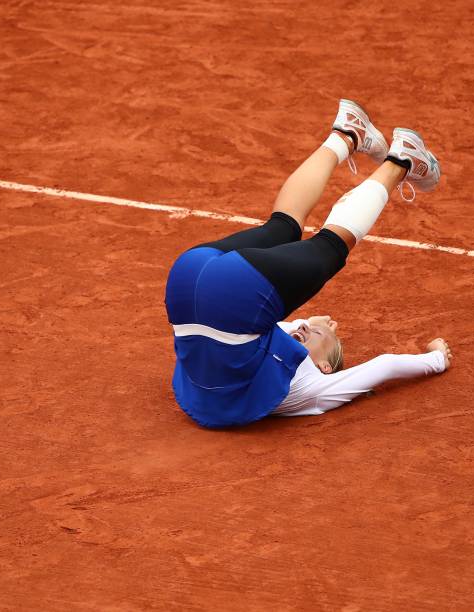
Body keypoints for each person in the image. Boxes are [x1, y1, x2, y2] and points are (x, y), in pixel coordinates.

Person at [165, 99, 452, 428]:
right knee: (284, 229)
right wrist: (436, 358)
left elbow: (379, 365)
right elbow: (382, 365)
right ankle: (349, 135)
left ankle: (396, 157)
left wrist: (436, 360)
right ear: (328, 366)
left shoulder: (305, 386)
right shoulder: (301, 381)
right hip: (185, 281)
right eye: (321, 332)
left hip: (223, 295)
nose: (308, 326)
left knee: (327, 245)